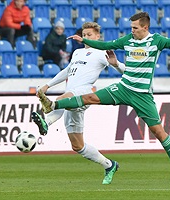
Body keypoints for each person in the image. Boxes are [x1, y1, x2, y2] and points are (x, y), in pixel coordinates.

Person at [38, 12, 170, 185]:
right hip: (123, 88)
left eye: (135, 27)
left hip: (142, 95)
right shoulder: (128, 40)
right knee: (90, 97)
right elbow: (105, 44)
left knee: (158, 131)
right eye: (131, 27)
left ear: (145, 27)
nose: (132, 31)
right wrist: (84, 41)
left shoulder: (157, 41)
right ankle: (52, 105)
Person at [32, 22, 125, 185]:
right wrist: (48, 85)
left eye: (90, 35)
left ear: (98, 37)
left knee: (61, 100)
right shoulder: (77, 52)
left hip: (85, 93)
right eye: (85, 35)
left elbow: (126, 71)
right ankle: (109, 165)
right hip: (71, 96)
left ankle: (46, 122)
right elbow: (67, 71)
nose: (86, 37)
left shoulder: (101, 52)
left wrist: (116, 64)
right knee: (77, 146)